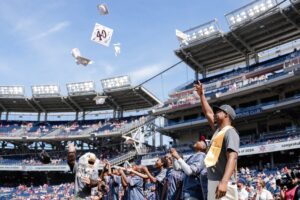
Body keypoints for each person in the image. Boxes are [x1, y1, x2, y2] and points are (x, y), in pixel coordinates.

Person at [194, 81, 240, 200]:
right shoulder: (218, 131)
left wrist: (224, 182)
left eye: (218, 111)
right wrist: (201, 95)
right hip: (213, 181)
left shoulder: (230, 131)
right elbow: (208, 112)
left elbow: (233, 157)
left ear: (226, 115)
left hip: (224, 182)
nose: (215, 113)